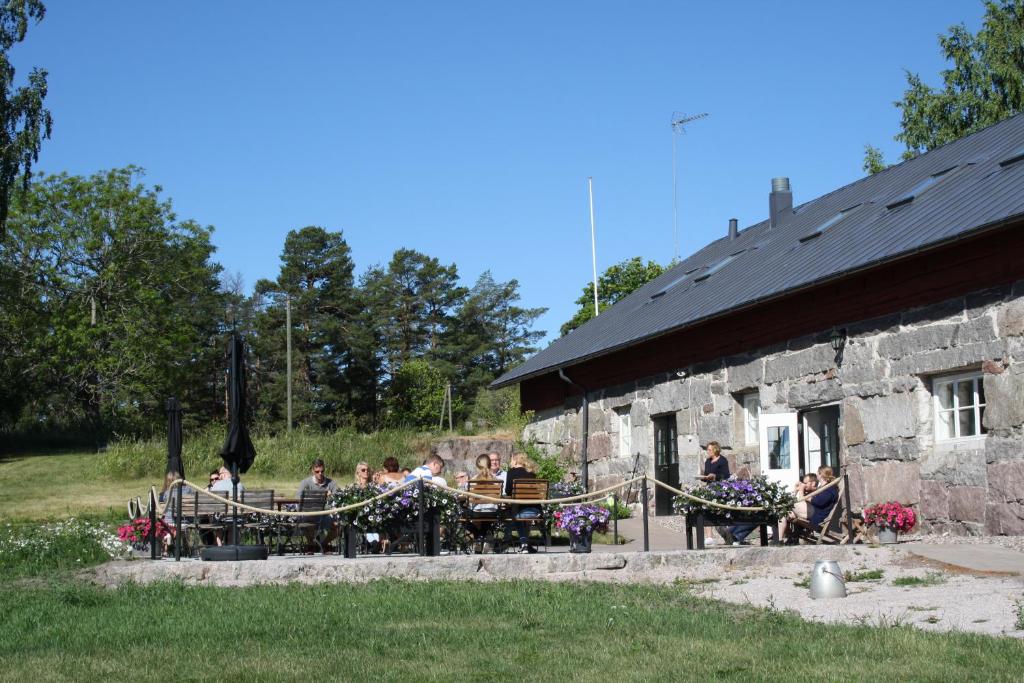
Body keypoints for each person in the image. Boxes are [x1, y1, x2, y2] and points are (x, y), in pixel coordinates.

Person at [504, 452, 541, 553]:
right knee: (523, 516)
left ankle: (524, 543)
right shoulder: (531, 473)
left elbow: (508, 491)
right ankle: (525, 544)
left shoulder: (511, 472)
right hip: (535, 510)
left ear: (515, 460)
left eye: (511, 459)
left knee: (516, 514)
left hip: (518, 511)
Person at [777, 473, 818, 544]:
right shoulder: (807, 492)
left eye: (805, 483)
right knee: (783, 513)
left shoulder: (817, 492)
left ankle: (792, 537)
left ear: (813, 483)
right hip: (803, 513)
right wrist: (795, 490)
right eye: (803, 483)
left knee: (788, 504)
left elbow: (801, 503)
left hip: (811, 514)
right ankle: (780, 541)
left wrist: (801, 490)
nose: (804, 485)